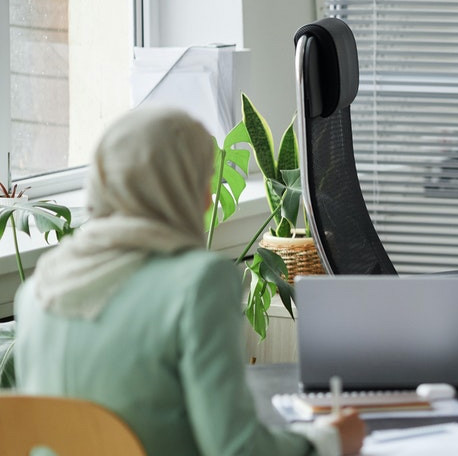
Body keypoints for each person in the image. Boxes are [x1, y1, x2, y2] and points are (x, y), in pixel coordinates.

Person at [14, 107, 364, 456]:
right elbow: (236, 449)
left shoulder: (36, 292)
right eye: (201, 181)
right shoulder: (199, 284)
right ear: (172, 188)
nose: (208, 200)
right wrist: (327, 440)